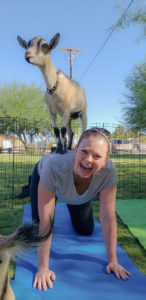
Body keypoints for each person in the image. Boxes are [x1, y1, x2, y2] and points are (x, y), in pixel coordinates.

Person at [30, 127, 131, 291]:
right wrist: (43, 268)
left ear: (106, 160)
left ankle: (73, 198)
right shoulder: (53, 166)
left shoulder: (109, 172)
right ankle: (34, 187)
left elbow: (107, 217)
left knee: (86, 229)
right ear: (76, 150)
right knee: (38, 228)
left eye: (97, 156)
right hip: (45, 176)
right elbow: (45, 221)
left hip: (74, 187)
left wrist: (113, 261)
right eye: (84, 151)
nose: (88, 160)